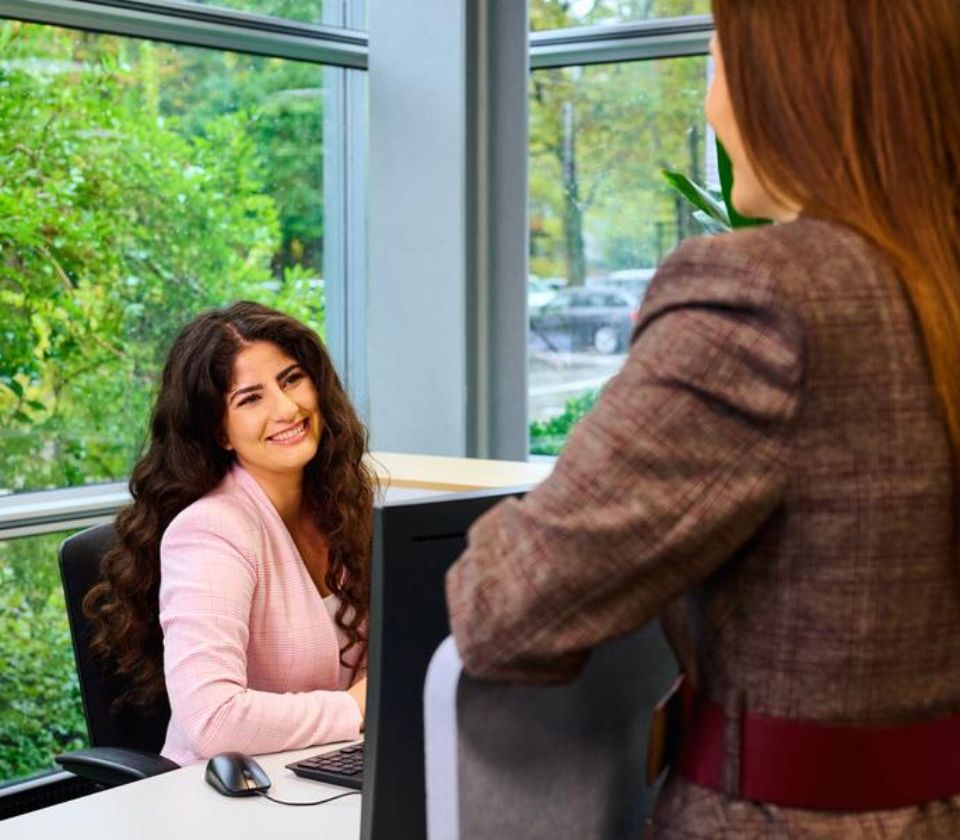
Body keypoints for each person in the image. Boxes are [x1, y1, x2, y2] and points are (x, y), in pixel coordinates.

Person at [446, 1, 960, 836]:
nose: (712, 105)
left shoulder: (765, 295)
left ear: (786, 85)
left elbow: (506, 608)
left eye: (720, 64)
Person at [84, 301, 376, 765]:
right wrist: (355, 708)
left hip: (328, 768)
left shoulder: (340, 507)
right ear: (220, 431)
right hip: (227, 790)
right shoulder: (210, 532)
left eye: (291, 379)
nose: (287, 408)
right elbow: (213, 720)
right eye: (250, 398)